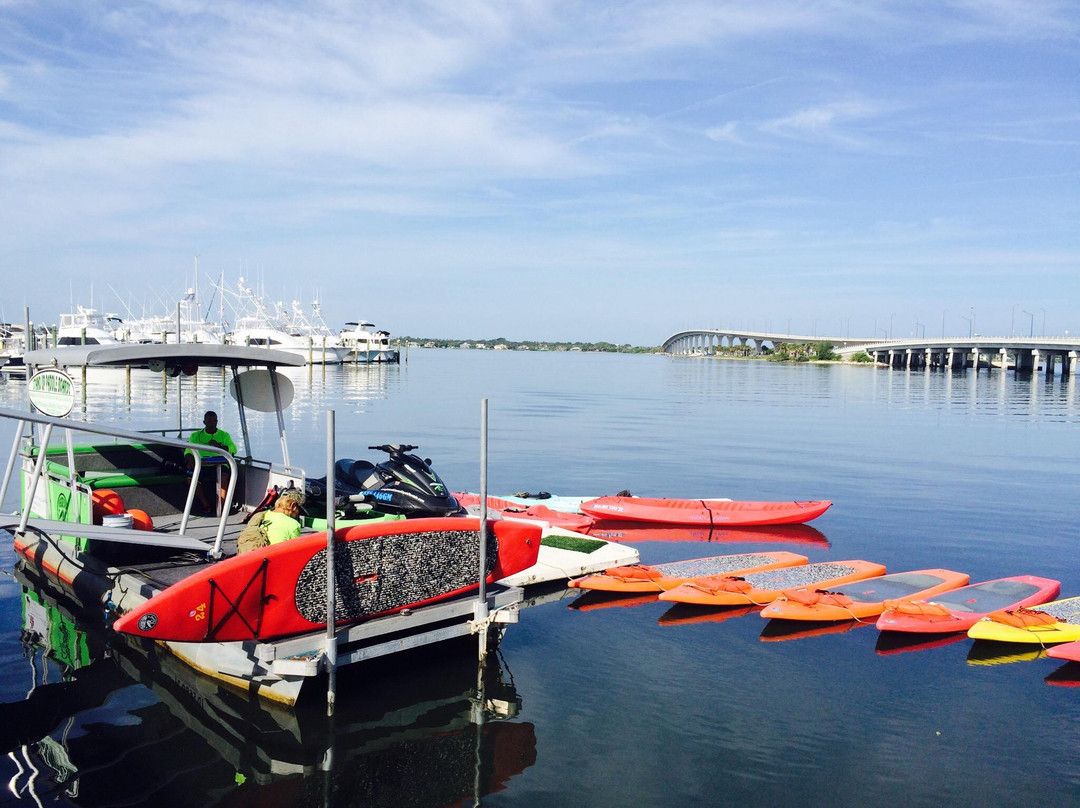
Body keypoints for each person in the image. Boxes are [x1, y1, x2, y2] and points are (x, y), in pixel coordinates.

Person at [185, 410, 239, 514]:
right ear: (204, 422)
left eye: (214, 421)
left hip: (220, 464)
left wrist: (219, 446)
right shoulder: (195, 436)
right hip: (201, 465)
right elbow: (189, 450)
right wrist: (189, 458)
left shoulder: (224, 435)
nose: (212, 423)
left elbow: (233, 449)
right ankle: (206, 505)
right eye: (209, 421)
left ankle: (222, 508)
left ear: (217, 421)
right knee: (190, 480)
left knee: (223, 477)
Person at [237, 489, 304, 554]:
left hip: (249, 560)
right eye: (299, 510)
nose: (298, 514)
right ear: (293, 506)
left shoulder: (259, 516)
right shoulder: (293, 524)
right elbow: (295, 553)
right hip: (273, 561)